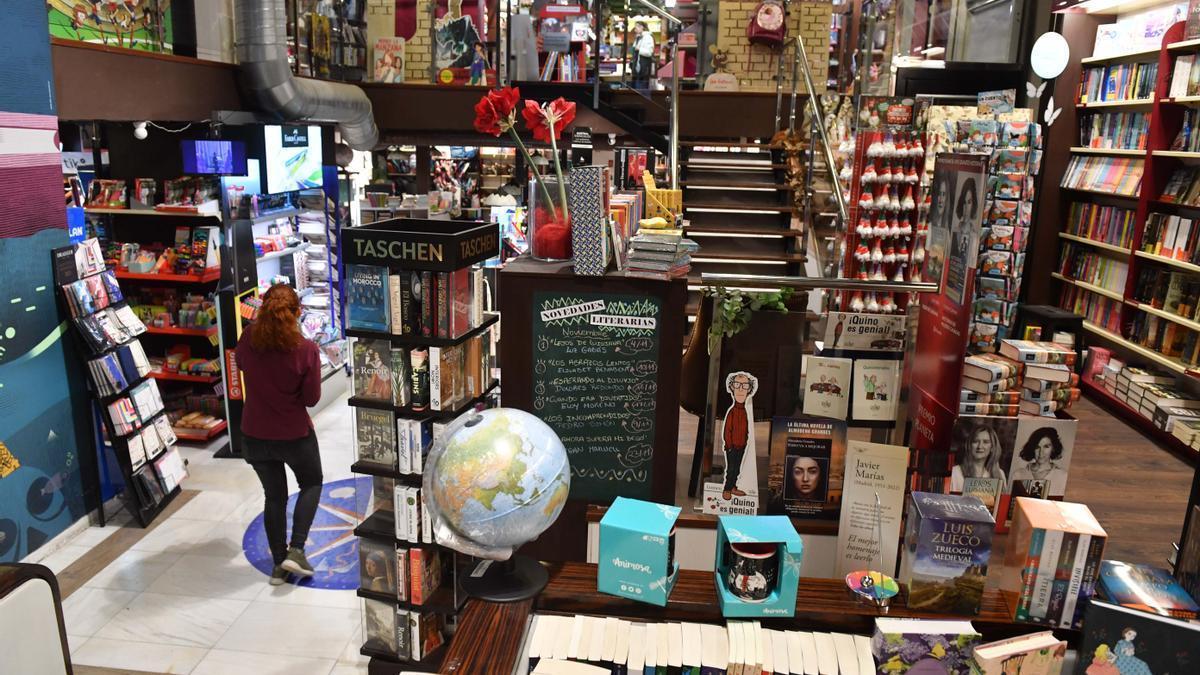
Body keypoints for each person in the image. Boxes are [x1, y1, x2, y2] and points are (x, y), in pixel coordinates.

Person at [235, 284, 323, 585]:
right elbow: (311, 399)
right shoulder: (306, 349)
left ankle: (278, 564)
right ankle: (296, 549)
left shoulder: (248, 339)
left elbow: (241, 365)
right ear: (297, 312)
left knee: (274, 496)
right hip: (294, 434)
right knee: (311, 482)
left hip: (254, 433)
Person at [722, 372, 755, 501]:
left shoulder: (745, 411)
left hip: (741, 446)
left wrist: (745, 442)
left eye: (745, 385)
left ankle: (733, 487)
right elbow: (727, 431)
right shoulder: (732, 412)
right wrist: (729, 446)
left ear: (749, 390)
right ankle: (726, 489)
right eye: (737, 385)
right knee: (731, 469)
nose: (741, 389)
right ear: (732, 388)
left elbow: (745, 429)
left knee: (737, 469)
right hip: (732, 447)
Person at [950, 424, 1008, 492]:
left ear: (992, 447)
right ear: (969, 445)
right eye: (976, 441)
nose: (980, 446)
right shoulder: (955, 472)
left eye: (985, 442)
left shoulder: (1000, 474)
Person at [1009, 426, 1068, 491]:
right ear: (1032, 448)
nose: (1041, 452)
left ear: (1053, 449)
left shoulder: (1063, 477)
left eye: (1046, 446)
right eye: (1037, 447)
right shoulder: (1018, 475)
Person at [631, 21, 655, 89]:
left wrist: (639, 49)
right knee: (636, 89)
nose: (635, 28)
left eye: (637, 26)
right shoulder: (639, 38)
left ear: (642, 27)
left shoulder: (648, 37)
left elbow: (649, 52)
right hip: (637, 69)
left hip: (642, 69)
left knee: (641, 89)